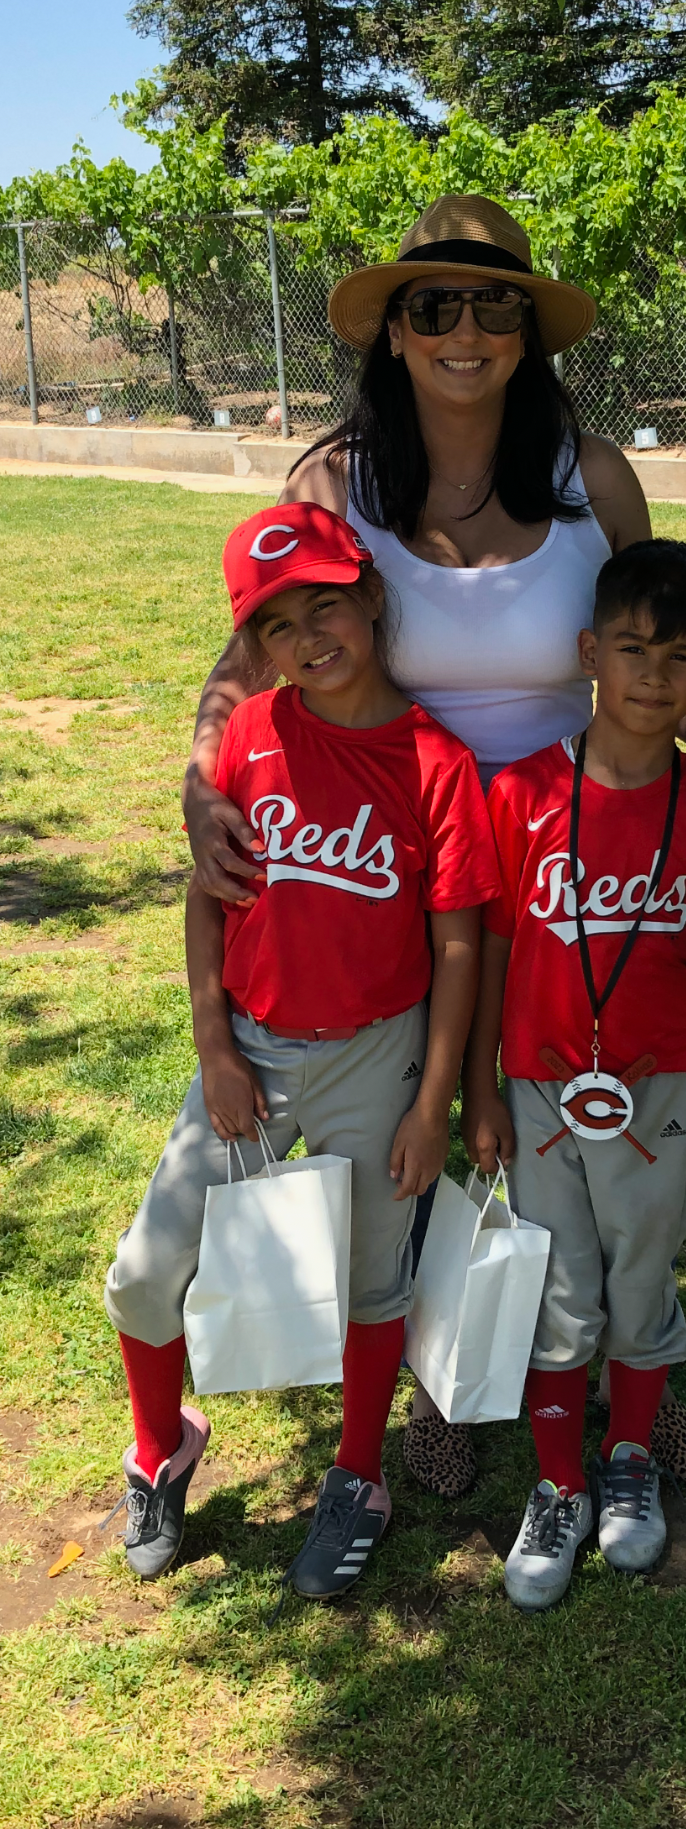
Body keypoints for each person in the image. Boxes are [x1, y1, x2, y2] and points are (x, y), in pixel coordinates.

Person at [181, 193, 686, 1498]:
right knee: (422, 1117)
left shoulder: (590, 475)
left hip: (572, 851)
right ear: (393, 330)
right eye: (433, 303)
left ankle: (631, 1385)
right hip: (390, 848)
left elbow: (655, 630)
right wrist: (200, 778)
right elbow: (246, 655)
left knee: (587, 1110)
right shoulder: (335, 480)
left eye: (493, 301)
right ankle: (442, 1381)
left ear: (527, 330)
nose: (464, 328)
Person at [103, 504, 499, 1589]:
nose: (309, 636)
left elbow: (458, 943)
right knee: (148, 1272)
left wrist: (432, 1105)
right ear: (255, 645)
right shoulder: (249, 735)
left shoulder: (434, 760)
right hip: (254, 1048)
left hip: (381, 1053)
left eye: (326, 604)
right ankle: (160, 1444)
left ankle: (358, 1473)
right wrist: (215, 1048)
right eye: (278, 624)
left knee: (373, 1277)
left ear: (369, 596)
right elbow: (207, 896)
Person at [462, 540, 686, 1611]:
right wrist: (480, 1086)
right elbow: (494, 946)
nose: (653, 675)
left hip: (656, 1083)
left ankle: (630, 1456)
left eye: (681, 657)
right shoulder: (524, 794)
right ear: (590, 652)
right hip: (540, 1084)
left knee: (640, 1269)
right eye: (632, 649)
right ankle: (558, 1483)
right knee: (558, 1279)